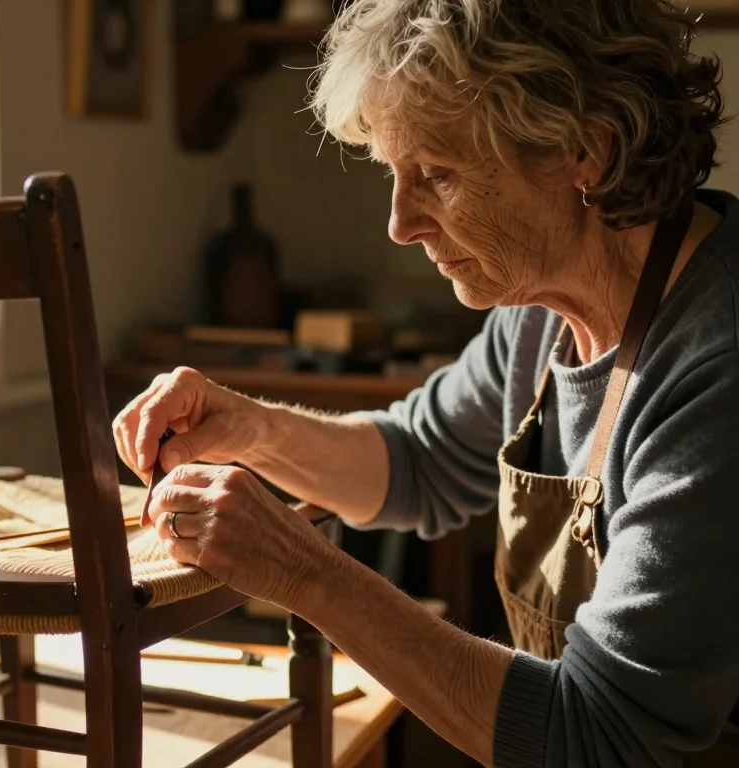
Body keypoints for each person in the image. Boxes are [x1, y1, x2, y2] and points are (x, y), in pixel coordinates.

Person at [112, 1, 739, 765]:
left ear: (587, 153)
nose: (400, 223)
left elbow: (601, 738)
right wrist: (253, 429)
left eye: (437, 175)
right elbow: (420, 461)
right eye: (394, 173)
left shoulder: (716, 369)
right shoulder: (540, 306)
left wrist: (301, 570)